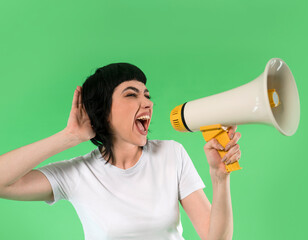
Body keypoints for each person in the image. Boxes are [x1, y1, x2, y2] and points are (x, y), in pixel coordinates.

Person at [0, 63, 241, 240]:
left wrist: (220, 177)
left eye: (147, 95)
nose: (148, 103)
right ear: (102, 111)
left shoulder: (171, 154)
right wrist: (69, 136)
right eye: (131, 94)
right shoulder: (77, 173)